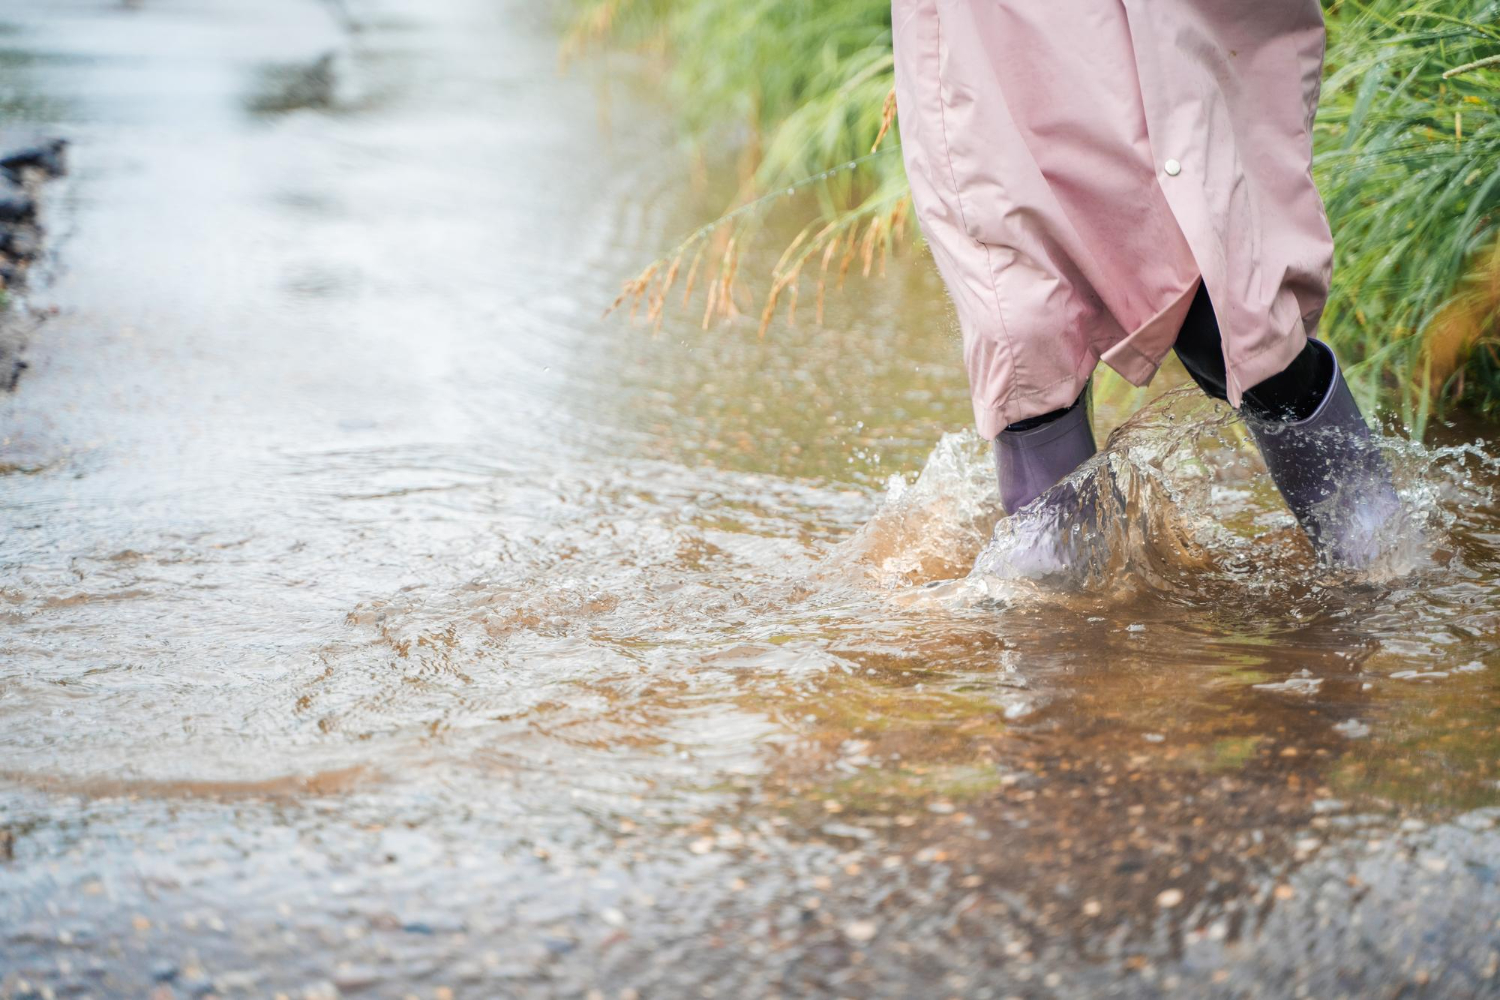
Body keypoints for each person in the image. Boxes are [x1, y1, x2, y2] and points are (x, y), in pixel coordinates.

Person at [890, 0, 1400, 569]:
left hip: (1163, 30)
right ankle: (1059, 618)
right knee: (1027, 334)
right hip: (991, 44)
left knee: (1232, 316)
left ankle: (1383, 564)